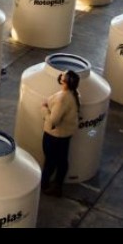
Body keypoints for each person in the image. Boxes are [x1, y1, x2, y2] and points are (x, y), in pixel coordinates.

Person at [41, 70, 81, 198]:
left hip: (54, 136)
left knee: (50, 161)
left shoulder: (62, 98)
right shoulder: (74, 94)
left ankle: (44, 185)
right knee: (62, 161)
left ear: (64, 82)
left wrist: (44, 109)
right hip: (64, 136)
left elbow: (54, 120)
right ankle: (57, 186)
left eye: (63, 75)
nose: (60, 75)